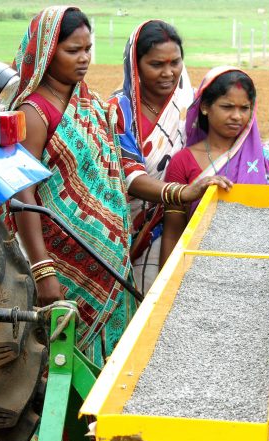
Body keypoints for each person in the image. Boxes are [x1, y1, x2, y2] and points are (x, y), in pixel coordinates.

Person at [9, 7, 222, 366]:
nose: (84, 59)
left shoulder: (91, 104)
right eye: (72, 50)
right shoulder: (34, 111)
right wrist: (42, 270)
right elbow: (23, 194)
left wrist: (180, 192)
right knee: (58, 363)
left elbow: (125, 168)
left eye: (88, 49)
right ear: (47, 50)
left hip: (108, 263)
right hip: (61, 264)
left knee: (110, 366)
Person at [161, 66, 269, 265]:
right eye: (227, 107)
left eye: (244, 108)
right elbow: (173, 232)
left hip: (254, 267)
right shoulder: (182, 162)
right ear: (204, 107)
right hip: (197, 266)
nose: (237, 116)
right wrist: (164, 288)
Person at [109, 20, 194, 294]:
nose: (168, 73)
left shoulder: (189, 110)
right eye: (157, 65)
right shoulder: (117, 111)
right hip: (118, 231)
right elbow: (130, 177)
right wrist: (183, 191)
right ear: (135, 65)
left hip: (171, 226)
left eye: (175, 62)